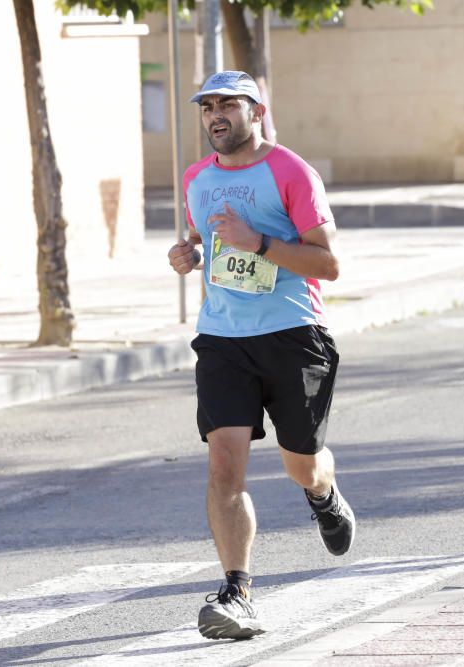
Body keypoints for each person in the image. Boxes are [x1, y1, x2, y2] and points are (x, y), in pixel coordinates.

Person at [167, 71, 355, 641]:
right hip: (223, 338)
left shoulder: (291, 172)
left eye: (228, 104)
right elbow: (207, 238)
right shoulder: (196, 178)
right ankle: (237, 591)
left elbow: (328, 264)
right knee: (224, 463)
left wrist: (261, 244)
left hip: (294, 333)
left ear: (257, 110)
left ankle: (322, 493)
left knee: (300, 464)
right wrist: (188, 253)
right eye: (207, 107)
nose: (216, 115)